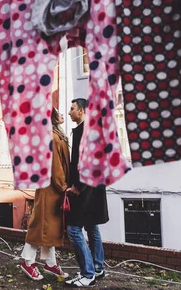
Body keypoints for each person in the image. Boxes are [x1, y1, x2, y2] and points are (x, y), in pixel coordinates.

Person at [20, 108, 70, 281]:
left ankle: (50, 262)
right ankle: (27, 261)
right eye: (60, 113)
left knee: (50, 227)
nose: (63, 115)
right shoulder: (51, 136)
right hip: (51, 187)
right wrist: (62, 185)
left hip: (51, 187)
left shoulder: (54, 133)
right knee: (40, 225)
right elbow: (55, 164)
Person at [65, 98, 109, 287]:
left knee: (73, 229)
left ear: (81, 111)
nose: (69, 112)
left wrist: (77, 187)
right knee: (91, 226)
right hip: (95, 188)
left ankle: (88, 273)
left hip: (85, 190)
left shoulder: (85, 131)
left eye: (72, 109)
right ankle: (98, 268)